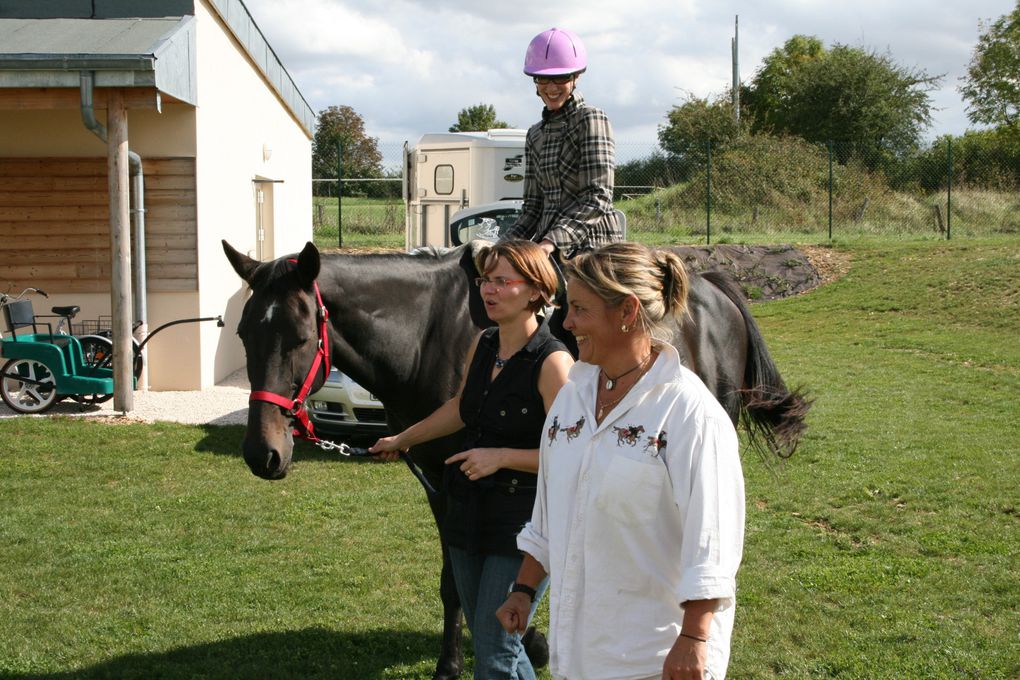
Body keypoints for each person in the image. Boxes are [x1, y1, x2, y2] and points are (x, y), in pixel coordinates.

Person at [496, 242, 747, 680]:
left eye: (580, 309)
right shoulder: (572, 398)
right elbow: (550, 513)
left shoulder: (689, 414)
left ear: (627, 311)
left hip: (655, 659)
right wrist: (523, 590)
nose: (566, 322)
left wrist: (694, 639)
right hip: (579, 653)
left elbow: (713, 542)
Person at [370, 239, 574, 679]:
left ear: (537, 290)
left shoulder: (554, 362)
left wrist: (502, 456)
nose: (489, 290)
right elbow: (462, 407)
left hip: (522, 525)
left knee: (495, 649)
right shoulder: (482, 343)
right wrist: (403, 438)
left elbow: (574, 457)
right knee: (499, 643)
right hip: (466, 512)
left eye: (503, 281)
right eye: (485, 280)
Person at [504, 27, 624, 260]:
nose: (551, 87)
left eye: (560, 77)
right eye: (543, 78)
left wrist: (552, 241)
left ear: (576, 77)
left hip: (594, 247)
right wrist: (502, 246)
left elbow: (597, 197)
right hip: (546, 249)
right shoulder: (535, 134)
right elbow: (533, 208)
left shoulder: (590, 119)